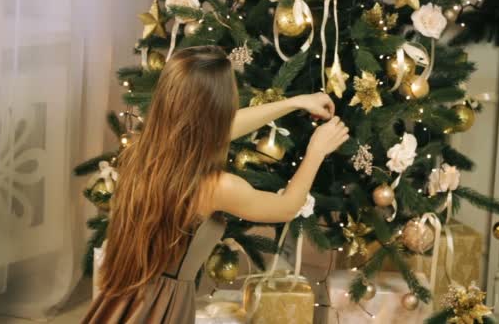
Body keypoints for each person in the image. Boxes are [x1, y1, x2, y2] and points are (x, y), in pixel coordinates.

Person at [82, 45, 349, 323]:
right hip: (159, 309)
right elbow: (285, 208)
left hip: (124, 297)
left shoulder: (147, 149)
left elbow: (222, 127)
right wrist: (317, 150)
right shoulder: (216, 187)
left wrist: (293, 103)